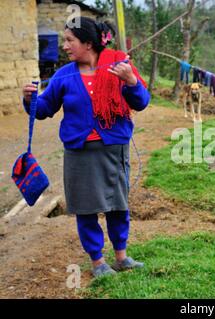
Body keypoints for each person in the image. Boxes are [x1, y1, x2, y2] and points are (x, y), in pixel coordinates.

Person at [22, 17, 150, 278]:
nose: (65, 46)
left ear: (88, 43)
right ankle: (97, 261)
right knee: (86, 208)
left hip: (113, 147)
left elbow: (141, 102)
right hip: (79, 152)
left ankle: (121, 257)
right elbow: (45, 110)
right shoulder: (64, 76)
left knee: (118, 205)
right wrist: (30, 100)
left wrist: (131, 83)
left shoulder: (119, 67)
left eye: (70, 40)